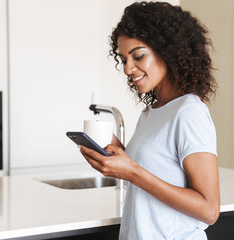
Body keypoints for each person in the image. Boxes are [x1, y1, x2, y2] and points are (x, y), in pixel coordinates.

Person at [80, 1, 220, 239]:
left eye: (138, 56)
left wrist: (133, 171)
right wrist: (119, 155)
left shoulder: (189, 112)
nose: (127, 69)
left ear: (168, 50)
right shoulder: (153, 111)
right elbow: (156, 170)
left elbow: (209, 210)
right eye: (123, 59)